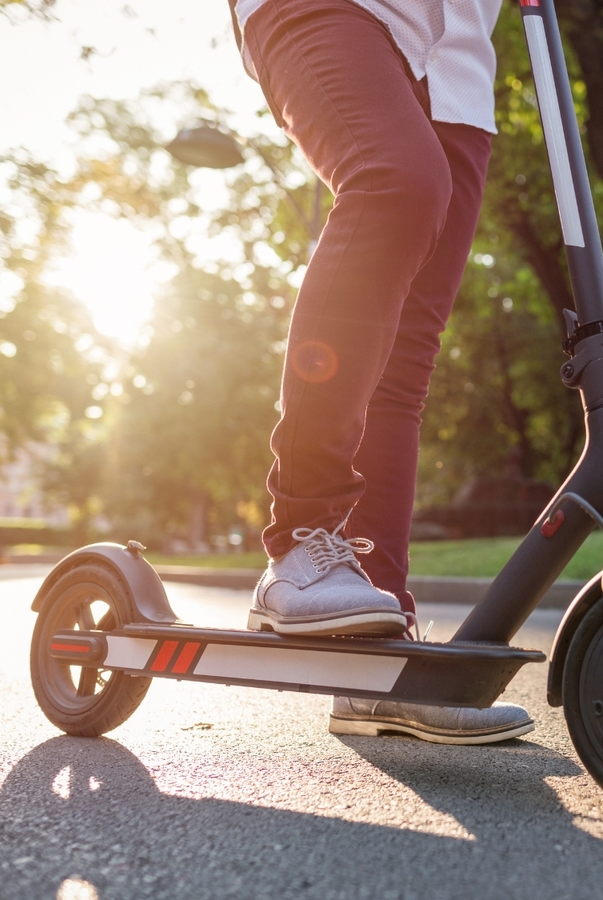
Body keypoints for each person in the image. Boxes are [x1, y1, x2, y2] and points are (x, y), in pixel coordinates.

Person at [226, 0, 534, 744]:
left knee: (402, 358)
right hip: (335, 8)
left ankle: (375, 663)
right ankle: (300, 536)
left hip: (456, 57)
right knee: (397, 182)